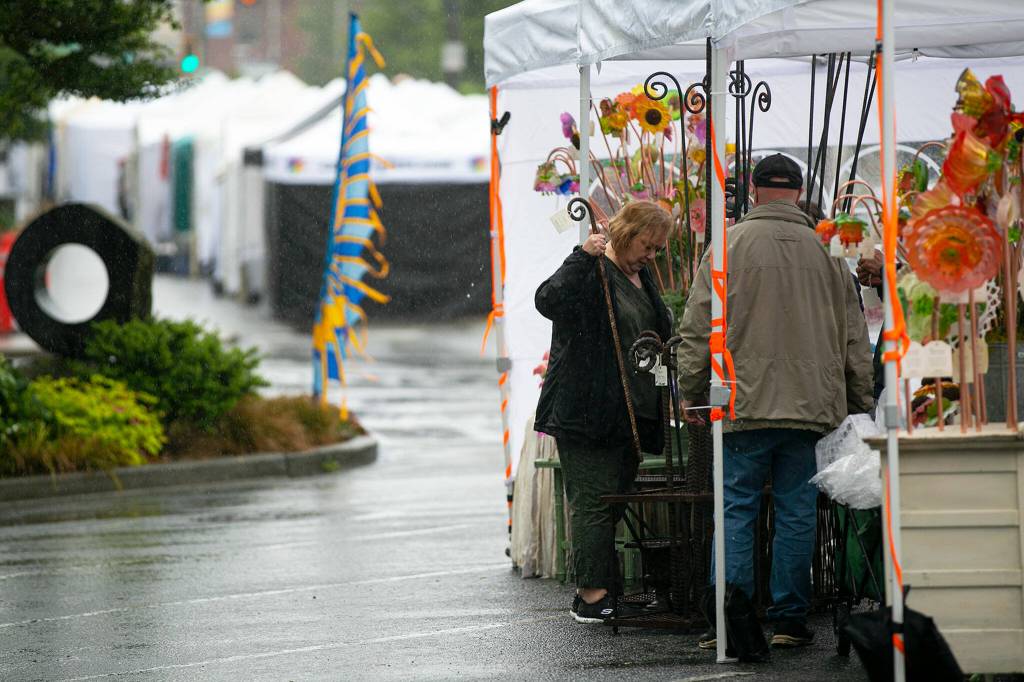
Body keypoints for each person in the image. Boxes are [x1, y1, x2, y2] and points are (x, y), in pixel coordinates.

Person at [676, 154, 874, 648]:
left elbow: (699, 325)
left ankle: (732, 616)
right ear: (799, 191)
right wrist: (858, 399)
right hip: (812, 404)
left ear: (755, 191)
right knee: (797, 509)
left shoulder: (727, 245)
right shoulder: (829, 251)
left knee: (736, 508)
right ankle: (789, 619)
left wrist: (690, 389)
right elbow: (854, 334)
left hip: (742, 400)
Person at [534, 200, 673, 624]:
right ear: (626, 234)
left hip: (630, 414)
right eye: (648, 246)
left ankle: (602, 586)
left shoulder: (640, 274)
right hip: (588, 412)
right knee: (594, 502)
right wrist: (582, 256)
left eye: (658, 249)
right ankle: (591, 596)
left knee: (613, 500)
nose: (653, 255)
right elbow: (547, 300)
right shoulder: (592, 270)